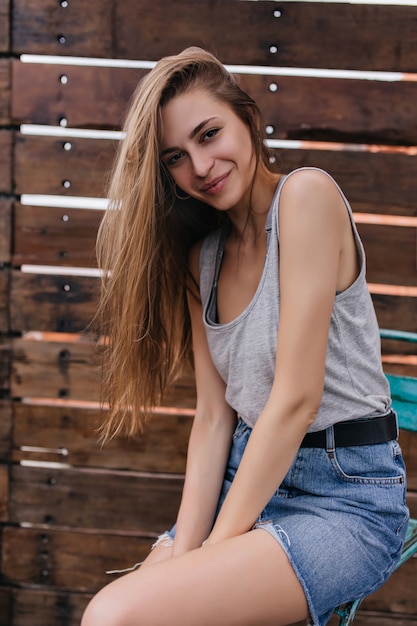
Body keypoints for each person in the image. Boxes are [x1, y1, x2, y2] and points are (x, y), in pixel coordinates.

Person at [81, 47, 409, 626]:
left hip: (343, 499)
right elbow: (212, 420)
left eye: (210, 135)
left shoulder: (307, 198)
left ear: (249, 120)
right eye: (177, 157)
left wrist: (208, 556)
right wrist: (187, 553)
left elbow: (295, 398)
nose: (201, 166)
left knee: (118, 616)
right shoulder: (200, 261)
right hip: (245, 485)